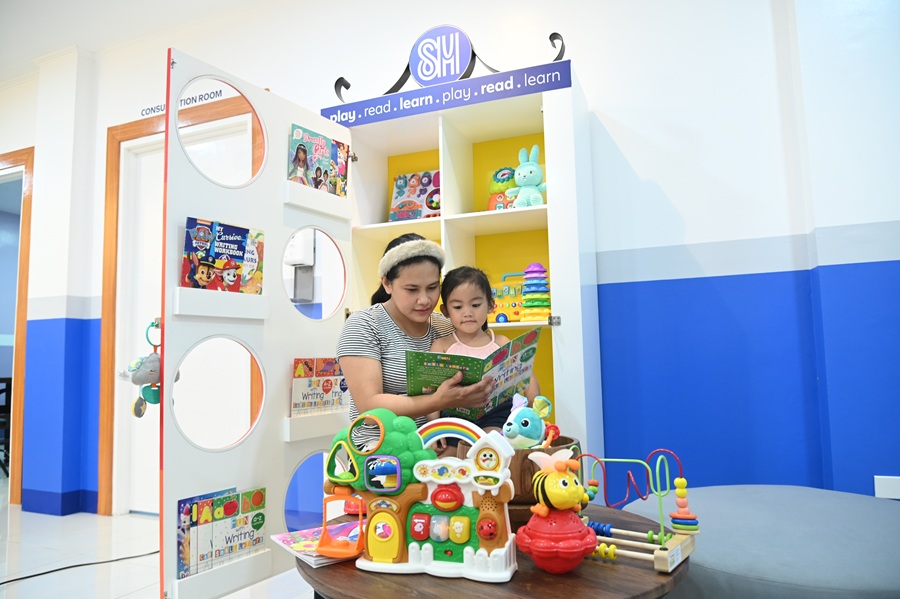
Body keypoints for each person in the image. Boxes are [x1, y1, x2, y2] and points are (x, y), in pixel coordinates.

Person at [336, 234, 494, 450]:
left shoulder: (447, 325)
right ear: (387, 283)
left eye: (432, 287)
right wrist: (441, 401)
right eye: (412, 290)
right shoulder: (364, 325)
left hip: (445, 443)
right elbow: (370, 410)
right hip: (380, 450)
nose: (425, 300)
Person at [427, 266, 541, 455]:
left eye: (475, 305)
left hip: (495, 416)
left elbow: (529, 385)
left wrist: (532, 412)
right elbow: (432, 393)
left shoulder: (502, 343)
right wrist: (435, 428)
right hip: (455, 419)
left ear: (490, 305)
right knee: (447, 462)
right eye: (457, 307)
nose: (467, 313)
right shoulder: (442, 346)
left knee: (493, 451)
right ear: (445, 311)